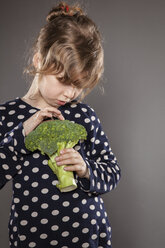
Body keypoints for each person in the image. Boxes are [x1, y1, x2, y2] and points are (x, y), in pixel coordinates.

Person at [0, 1, 121, 248]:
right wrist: (22, 136)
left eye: (78, 85)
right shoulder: (8, 115)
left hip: (87, 237)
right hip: (32, 239)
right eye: (63, 80)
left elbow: (112, 172)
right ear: (38, 61)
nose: (70, 93)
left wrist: (86, 169)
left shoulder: (84, 115)